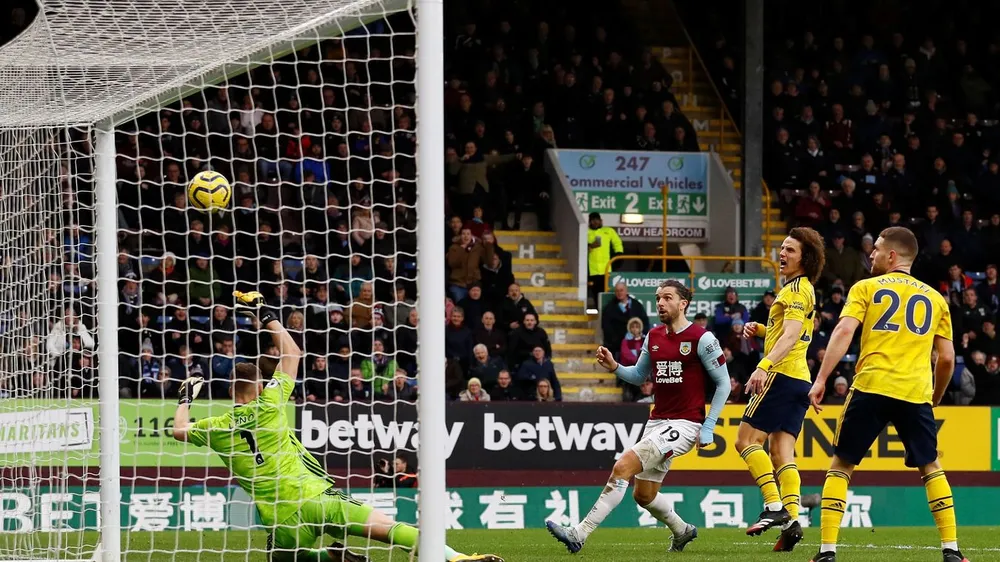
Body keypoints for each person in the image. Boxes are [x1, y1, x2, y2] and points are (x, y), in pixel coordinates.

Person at [171, 290, 502, 562]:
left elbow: (179, 430)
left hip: (281, 518)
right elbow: (293, 353)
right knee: (387, 528)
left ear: (231, 391)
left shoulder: (214, 427)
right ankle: (456, 558)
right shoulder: (269, 403)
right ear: (259, 387)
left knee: (282, 556)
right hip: (316, 498)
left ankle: (329, 558)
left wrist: (185, 397)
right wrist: (265, 313)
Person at [807, 228, 968, 562]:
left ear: (892, 255)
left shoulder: (865, 287)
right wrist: (934, 398)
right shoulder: (936, 299)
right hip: (915, 394)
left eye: (877, 249)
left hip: (871, 386)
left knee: (842, 465)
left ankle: (826, 552)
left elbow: (844, 330)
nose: (871, 254)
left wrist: (822, 378)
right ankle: (951, 549)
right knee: (931, 467)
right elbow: (948, 358)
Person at [545, 280, 729, 554]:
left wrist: (708, 427)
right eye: (657, 298)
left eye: (667, 298)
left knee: (622, 467)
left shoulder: (702, 338)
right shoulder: (653, 336)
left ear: (683, 304)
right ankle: (683, 530)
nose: (660, 303)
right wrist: (615, 367)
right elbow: (639, 375)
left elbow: (724, 384)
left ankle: (579, 533)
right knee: (643, 495)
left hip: (685, 424)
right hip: (657, 421)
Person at [736, 227, 826, 551]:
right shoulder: (803, 290)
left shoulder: (794, 291)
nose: (782, 254)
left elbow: (788, 338)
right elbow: (795, 334)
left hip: (781, 375)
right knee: (781, 453)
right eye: (782, 248)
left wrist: (763, 366)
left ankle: (775, 507)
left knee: (745, 441)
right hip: (800, 379)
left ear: (806, 258)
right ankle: (791, 521)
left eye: (790, 250)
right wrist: (761, 329)